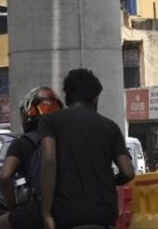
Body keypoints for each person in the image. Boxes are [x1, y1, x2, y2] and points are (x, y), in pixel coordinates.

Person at [39, 69, 136, 229]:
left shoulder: (50, 122)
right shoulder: (110, 127)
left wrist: (46, 213)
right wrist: (109, 181)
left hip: (67, 214)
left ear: (67, 96)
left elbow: (49, 160)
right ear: (95, 97)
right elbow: (128, 171)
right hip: (103, 215)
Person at [0, 86, 63, 229]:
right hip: (72, 207)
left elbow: (5, 176)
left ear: (27, 114)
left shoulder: (22, 144)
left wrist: (12, 209)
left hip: (39, 210)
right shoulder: (66, 140)